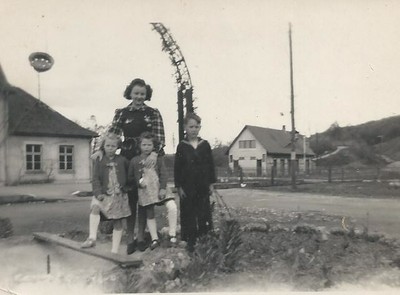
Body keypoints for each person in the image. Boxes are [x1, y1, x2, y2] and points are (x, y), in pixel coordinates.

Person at [92, 78, 165, 254]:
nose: (139, 97)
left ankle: (141, 237)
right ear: (130, 94)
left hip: (146, 159)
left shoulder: (153, 113)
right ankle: (130, 237)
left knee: (144, 200)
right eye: (136, 93)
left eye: (142, 94)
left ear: (146, 94)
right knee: (129, 199)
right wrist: (100, 149)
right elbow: (113, 135)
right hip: (126, 158)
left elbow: (159, 138)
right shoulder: (122, 113)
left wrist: (154, 153)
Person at [82, 133, 131, 254]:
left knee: (117, 222)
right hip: (103, 194)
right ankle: (92, 237)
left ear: (117, 147)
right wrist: (98, 193)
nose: (110, 148)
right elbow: (96, 179)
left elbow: (131, 176)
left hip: (118, 196)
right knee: (95, 207)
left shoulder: (123, 160)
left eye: (113, 146)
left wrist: (126, 188)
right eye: (108, 145)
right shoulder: (99, 160)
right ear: (103, 146)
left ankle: (114, 250)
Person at [174, 113, 216, 252]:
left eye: (196, 126)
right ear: (185, 127)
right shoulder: (182, 146)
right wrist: (179, 186)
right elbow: (177, 168)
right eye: (191, 126)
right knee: (188, 213)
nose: (194, 129)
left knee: (203, 212)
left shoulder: (205, 145)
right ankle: (190, 241)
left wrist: (211, 183)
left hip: (203, 186)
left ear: (200, 127)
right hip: (188, 187)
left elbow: (210, 165)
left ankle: (205, 238)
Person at [128, 132, 171, 250]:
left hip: (157, 188)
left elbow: (164, 174)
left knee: (171, 207)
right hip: (144, 191)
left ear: (153, 146)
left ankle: (171, 235)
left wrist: (162, 188)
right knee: (149, 211)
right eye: (144, 145)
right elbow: (130, 177)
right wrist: (138, 182)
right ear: (139, 146)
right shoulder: (135, 160)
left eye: (149, 145)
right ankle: (154, 238)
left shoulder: (157, 159)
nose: (146, 147)